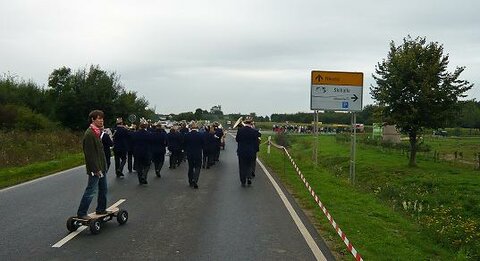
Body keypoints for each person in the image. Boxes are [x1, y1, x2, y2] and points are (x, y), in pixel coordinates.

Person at [76, 109, 108, 219]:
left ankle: (101, 209)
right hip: (96, 169)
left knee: (103, 189)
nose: (101, 121)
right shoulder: (89, 134)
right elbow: (89, 154)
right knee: (91, 191)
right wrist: (96, 169)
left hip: (101, 166)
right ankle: (82, 213)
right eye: (99, 118)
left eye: (102, 118)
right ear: (93, 119)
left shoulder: (97, 132)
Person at [235, 117, 260, 187]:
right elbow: (257, 139)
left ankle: (243, 181)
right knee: (249, 165)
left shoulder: (240, 130)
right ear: (251, 123)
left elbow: (237, 140)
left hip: (242, 151)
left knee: (242, 166)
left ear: (245, 123)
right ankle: (249, 177)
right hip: (251, 151)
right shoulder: (254, 131)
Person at [184, 122, 204, 189]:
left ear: (190, 128)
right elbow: (203, 144)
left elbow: (185, 144)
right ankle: (195, 180)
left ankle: (190, 181)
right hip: (198, 153)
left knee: (190, 167)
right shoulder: (201, 135)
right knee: (198, 167)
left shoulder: (187, 135)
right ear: (197, 128)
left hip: (190, 153)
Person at [132, 118, 152, 185]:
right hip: (146, 151)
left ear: (140, 126)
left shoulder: (135, 134)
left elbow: (132, 141)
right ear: (146, 126)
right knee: (147, 165)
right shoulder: (149, 134)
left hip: (137, 151)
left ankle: (140, 180)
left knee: (139, 166)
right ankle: (144, 175)